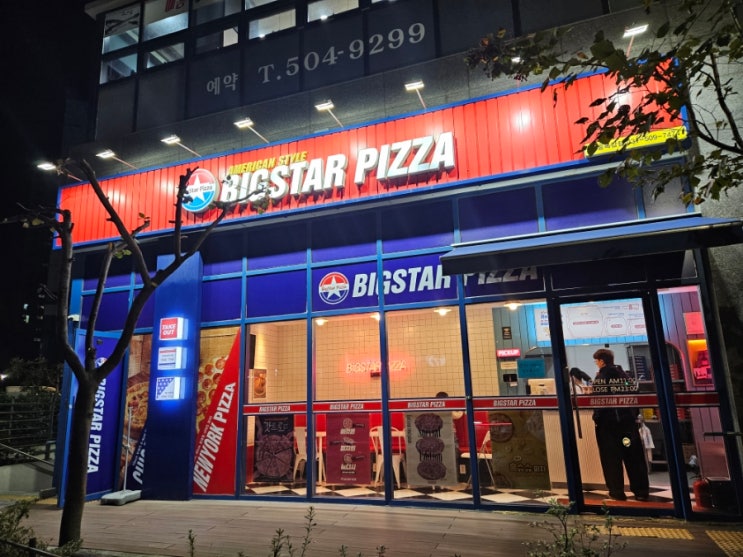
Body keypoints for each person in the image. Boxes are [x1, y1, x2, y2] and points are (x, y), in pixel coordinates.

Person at [591, 348, 650, 502]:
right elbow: (634, 394)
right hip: (627, 425)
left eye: (597, 361)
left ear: (602, 361)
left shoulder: (601, 378)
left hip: (608, 426)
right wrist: (632, 415)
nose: (597, 364)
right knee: (633, 457)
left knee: (611, 459)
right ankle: (641, 492)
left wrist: (597, 418)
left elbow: (597, 400)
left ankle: (616, 492)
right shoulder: (624, 376)